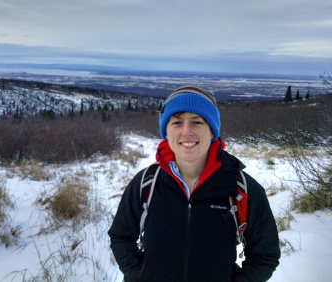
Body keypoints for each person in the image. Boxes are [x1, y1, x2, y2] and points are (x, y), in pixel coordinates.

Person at [108, 86, 280, 281]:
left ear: (212, 130)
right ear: (166, 130)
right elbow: (121, 236)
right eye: (177, 122)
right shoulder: (147, 183)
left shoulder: (240, 188)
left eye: (197, 122)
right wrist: (139, 276)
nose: (186, 132)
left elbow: (265, 255)